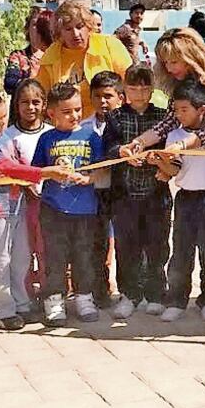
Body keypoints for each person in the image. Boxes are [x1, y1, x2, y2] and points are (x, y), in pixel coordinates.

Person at [0, 88, 73, 329]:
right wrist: (45, 172)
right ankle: (2, 310)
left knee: (21, 258)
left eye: (3, 117)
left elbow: (21, 164)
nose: (2, 123)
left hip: (18, 206)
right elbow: (7, 168)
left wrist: (51, 166)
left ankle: (21, 303)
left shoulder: (4, 137)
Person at [146, 80, 205, 323]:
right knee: (181, 251)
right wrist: (159, 160)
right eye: (176, 110)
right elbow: (172, 170)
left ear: (202, 110)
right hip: (186, 199)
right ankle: (177, 299)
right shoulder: (174, 135)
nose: (179, 115)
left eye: (184, 110)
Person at [102, 65, 171, 320]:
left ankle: (155, 294)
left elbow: (172, 151)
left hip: (156, 193)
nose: (140, 93)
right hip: (124, 194)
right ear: (124, 90)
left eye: (145, 88)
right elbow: (106, 149)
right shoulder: (116, 117)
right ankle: (129, 294)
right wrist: (120, 153)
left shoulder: (163, 117)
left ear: (152, 89)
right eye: (133, 88)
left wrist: (159, 159)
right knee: (126, 246)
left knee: (157, 244)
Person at [119, 27, 205, 159]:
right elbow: (171, 120)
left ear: (191, 57)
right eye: (166, 62)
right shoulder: (181, 78)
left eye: (174, 62)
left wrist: (182, 145)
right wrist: (140, 142)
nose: (169, 68)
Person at [32, 82, 104, 325]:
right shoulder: (46, 139)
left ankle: (84, 298)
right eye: (66, 111)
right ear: (51, 114)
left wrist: (88, 178)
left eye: (77, 109)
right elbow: (38, 170)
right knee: (55, 258)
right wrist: (50, 173)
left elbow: (100, 170)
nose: (74, 115)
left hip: (85, 209)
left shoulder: (91, 137)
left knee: (84, 256)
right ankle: (54, 300)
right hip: (53, 209)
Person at [0, 79, 52, 299]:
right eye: (24, 102)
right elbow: (5, 168)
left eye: (36, 102)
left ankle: (49, 291)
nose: (30, 107)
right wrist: (25, 185)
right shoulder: (8, 135)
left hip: (48, 201)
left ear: (44, 104)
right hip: (19, 203)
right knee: (22, 250)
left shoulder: (51, 133)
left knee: (45, 247)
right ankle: (25, 294)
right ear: (16, 105)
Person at [36, 1, 132, 119]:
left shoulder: (109, 45)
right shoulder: (50, 56)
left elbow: (131, 85)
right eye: (68, 29)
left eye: (80, 27)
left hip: (111, 124)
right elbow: (42, 98)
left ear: (88, 26)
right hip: (68, 129)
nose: (75, 34)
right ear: (59, 32)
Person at [84, 71, 124, 306]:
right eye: (97, 96)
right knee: (96, 242)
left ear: (120, 97)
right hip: (94, 191)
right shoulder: (83, 128)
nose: (103, 101)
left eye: (108, 96)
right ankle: (100, 289)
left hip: (120, 190)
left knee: (123, 241)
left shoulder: (126, 124)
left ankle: (129, 289)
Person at [5, 7, 54, 95]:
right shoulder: (18, 56)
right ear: (28, 28)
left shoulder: (57, 55)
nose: (38, 29)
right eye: (35, 24)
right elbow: (9, 85)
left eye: (42, 24)